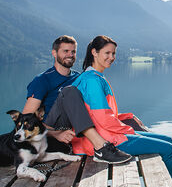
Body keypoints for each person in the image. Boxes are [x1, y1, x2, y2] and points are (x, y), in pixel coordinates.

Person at [71, 35, 172, 187]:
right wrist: (129, 130)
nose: (111, 57)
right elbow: (103, 118)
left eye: (113, 53)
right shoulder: (92, 80)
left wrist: (128, 117)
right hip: (110, 141)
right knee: (168, 149)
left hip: (110, 133)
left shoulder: (91, 77)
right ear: (94, 52)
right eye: (107, 53)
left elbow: (97, 113)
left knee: (166, 138)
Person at [23, 35, 131, 163]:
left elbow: (91, 111)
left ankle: (101, 145)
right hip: (50, 134)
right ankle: (100, 147)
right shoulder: (42, 80)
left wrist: (126, 117)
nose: (70, 55)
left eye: (73, 51)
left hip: (75, 134)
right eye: (65, 51)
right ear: (54, 53)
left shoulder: (79, 77)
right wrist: (55, 133)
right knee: (69, 91)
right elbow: (26, 120)